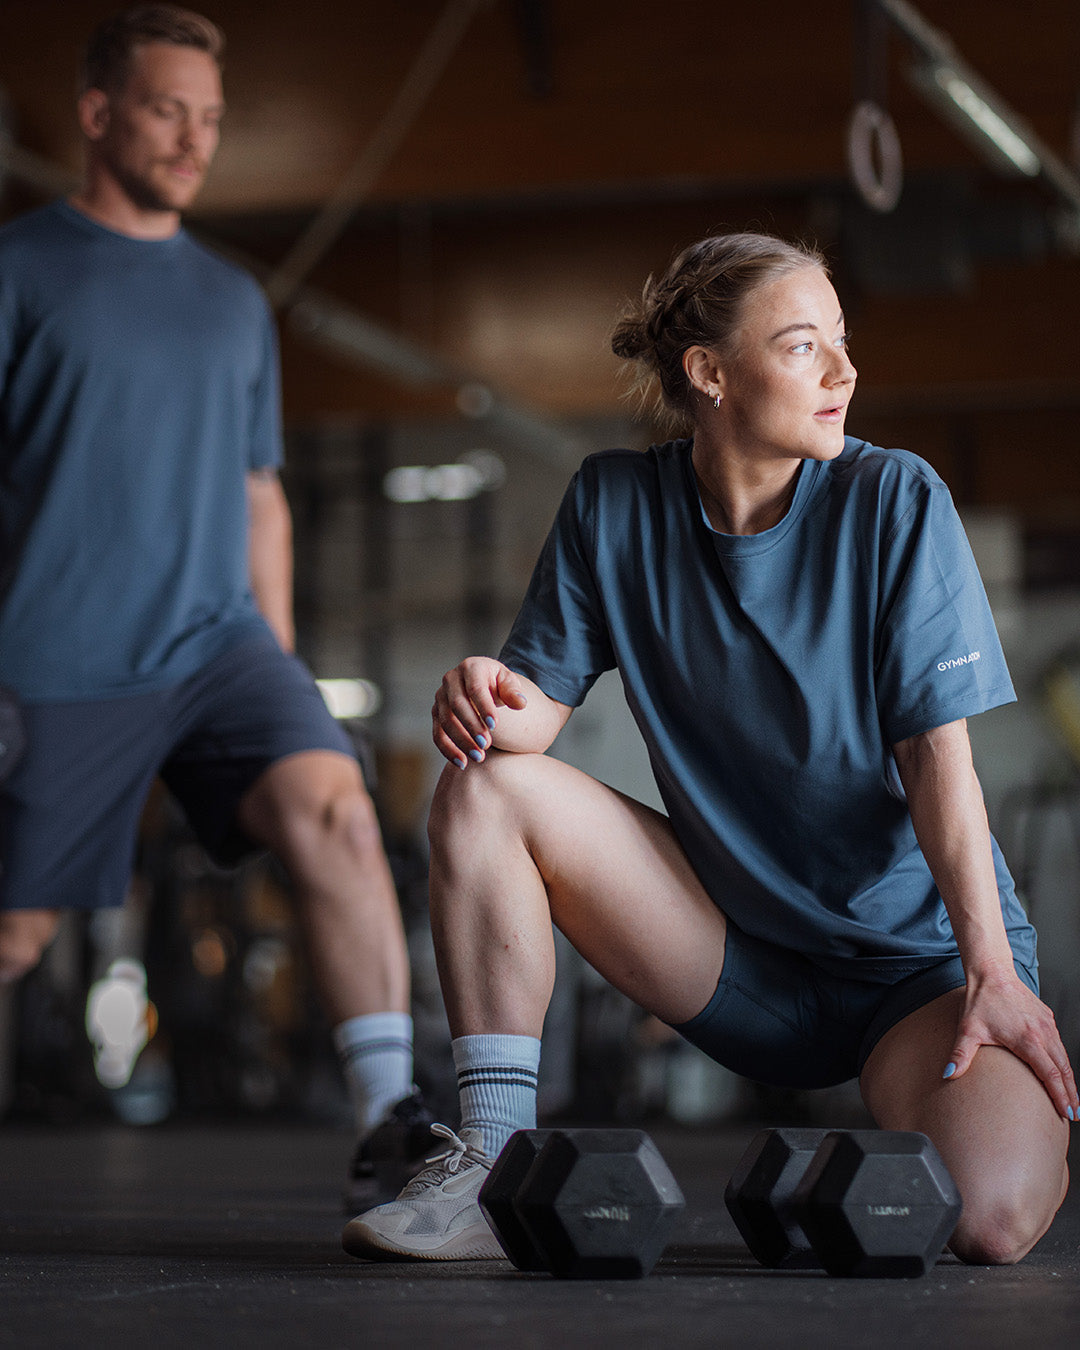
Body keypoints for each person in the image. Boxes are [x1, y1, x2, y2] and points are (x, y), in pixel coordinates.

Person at [343, 230, 1077, 1266]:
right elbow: (525, 728)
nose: (843, 370)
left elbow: (936, 763)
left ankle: (981, 1124)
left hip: (918, 975)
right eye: (801, 346)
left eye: (842, 343)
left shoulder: (894, 500)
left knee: (992, 1222)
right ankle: (490, 1160)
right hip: (736, 957)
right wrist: (476, 689)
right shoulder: (612, 504)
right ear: (710, 373)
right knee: (483, 790)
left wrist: (993, 973)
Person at [0, 3, 434, 1205]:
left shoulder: (235, 303)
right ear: (98, 114)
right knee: (18, 933)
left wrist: (277, 671)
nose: (194, 140)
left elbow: (262, 497)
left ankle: (390, 1117)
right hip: (60, 652)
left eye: (210, 118)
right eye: (164, 110)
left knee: (339, 812)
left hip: (220, 645)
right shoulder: (20, 271)